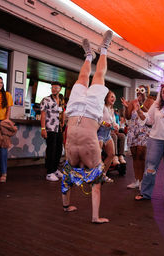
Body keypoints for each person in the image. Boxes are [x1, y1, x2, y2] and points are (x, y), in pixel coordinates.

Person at [62, 30, 113, 224]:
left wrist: (66, 205)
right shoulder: (93, 158)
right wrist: (95, 218)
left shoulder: (71, 161)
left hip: (75, 111)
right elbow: (96, 186)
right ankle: (105, 50)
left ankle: (89, 55)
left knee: (82, 79)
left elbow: (65, 184)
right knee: (99, 75)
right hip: (91, 112)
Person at [121, 85, 154, 189]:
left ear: (146, 92)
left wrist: (141, 105)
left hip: (144, 131)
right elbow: (128, 116)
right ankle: (137, 180)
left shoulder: (150, 102)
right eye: (138, 90)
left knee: (141, 155)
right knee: (135, 156)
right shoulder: (133, 101)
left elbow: (150, 115)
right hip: (133, 131)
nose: (139, 92)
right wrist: (126, 107)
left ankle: (143, 181)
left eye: (142, 90)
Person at [40, 82, 65, 182]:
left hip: (59, 129)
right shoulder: (46, 100)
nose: (54, 89)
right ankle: (49, 173)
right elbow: (43, 115)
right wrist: (43, 129)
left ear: (60, 89)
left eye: (56, 87)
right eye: (52, 87)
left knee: (59, 150)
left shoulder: (61, 100)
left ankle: (55, 169)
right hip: (50, 128)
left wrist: (63, 121)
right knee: (51, 150)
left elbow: (62, 111)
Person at [98, 90, 117, 182]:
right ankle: (96, 174)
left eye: (114, 97)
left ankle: (103, 175)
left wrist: (115, 125)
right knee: (97, 156)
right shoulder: (102, 107)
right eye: (111, 96)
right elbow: (98, 119)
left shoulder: (112, 110)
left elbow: (113, 122)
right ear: (106, 98)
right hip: (100, 133)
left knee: (112, 154)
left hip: (108, 134)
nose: (114, 98)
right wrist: (105, 123)